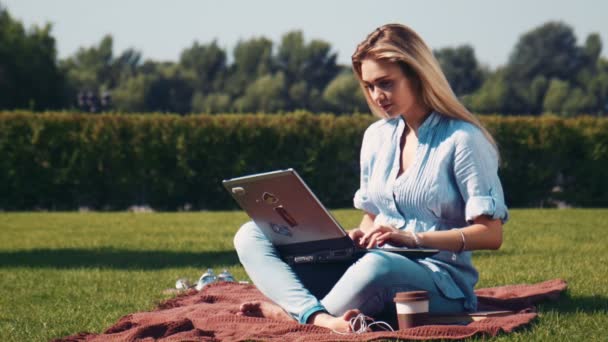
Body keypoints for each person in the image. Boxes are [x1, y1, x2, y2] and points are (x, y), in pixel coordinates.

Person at [233, 23, 508, 333]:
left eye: (386, 83)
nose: (378, 96)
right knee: (252, 233)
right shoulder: (376, 137)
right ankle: (318, 317)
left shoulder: (463, 139)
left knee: (378, 266)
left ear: (418, 75)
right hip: (368, 260)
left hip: (439, 282)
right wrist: (359, 235)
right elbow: (371, 218)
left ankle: (295, 311)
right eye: (369, 86)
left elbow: (490, 234)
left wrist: (412, 239)